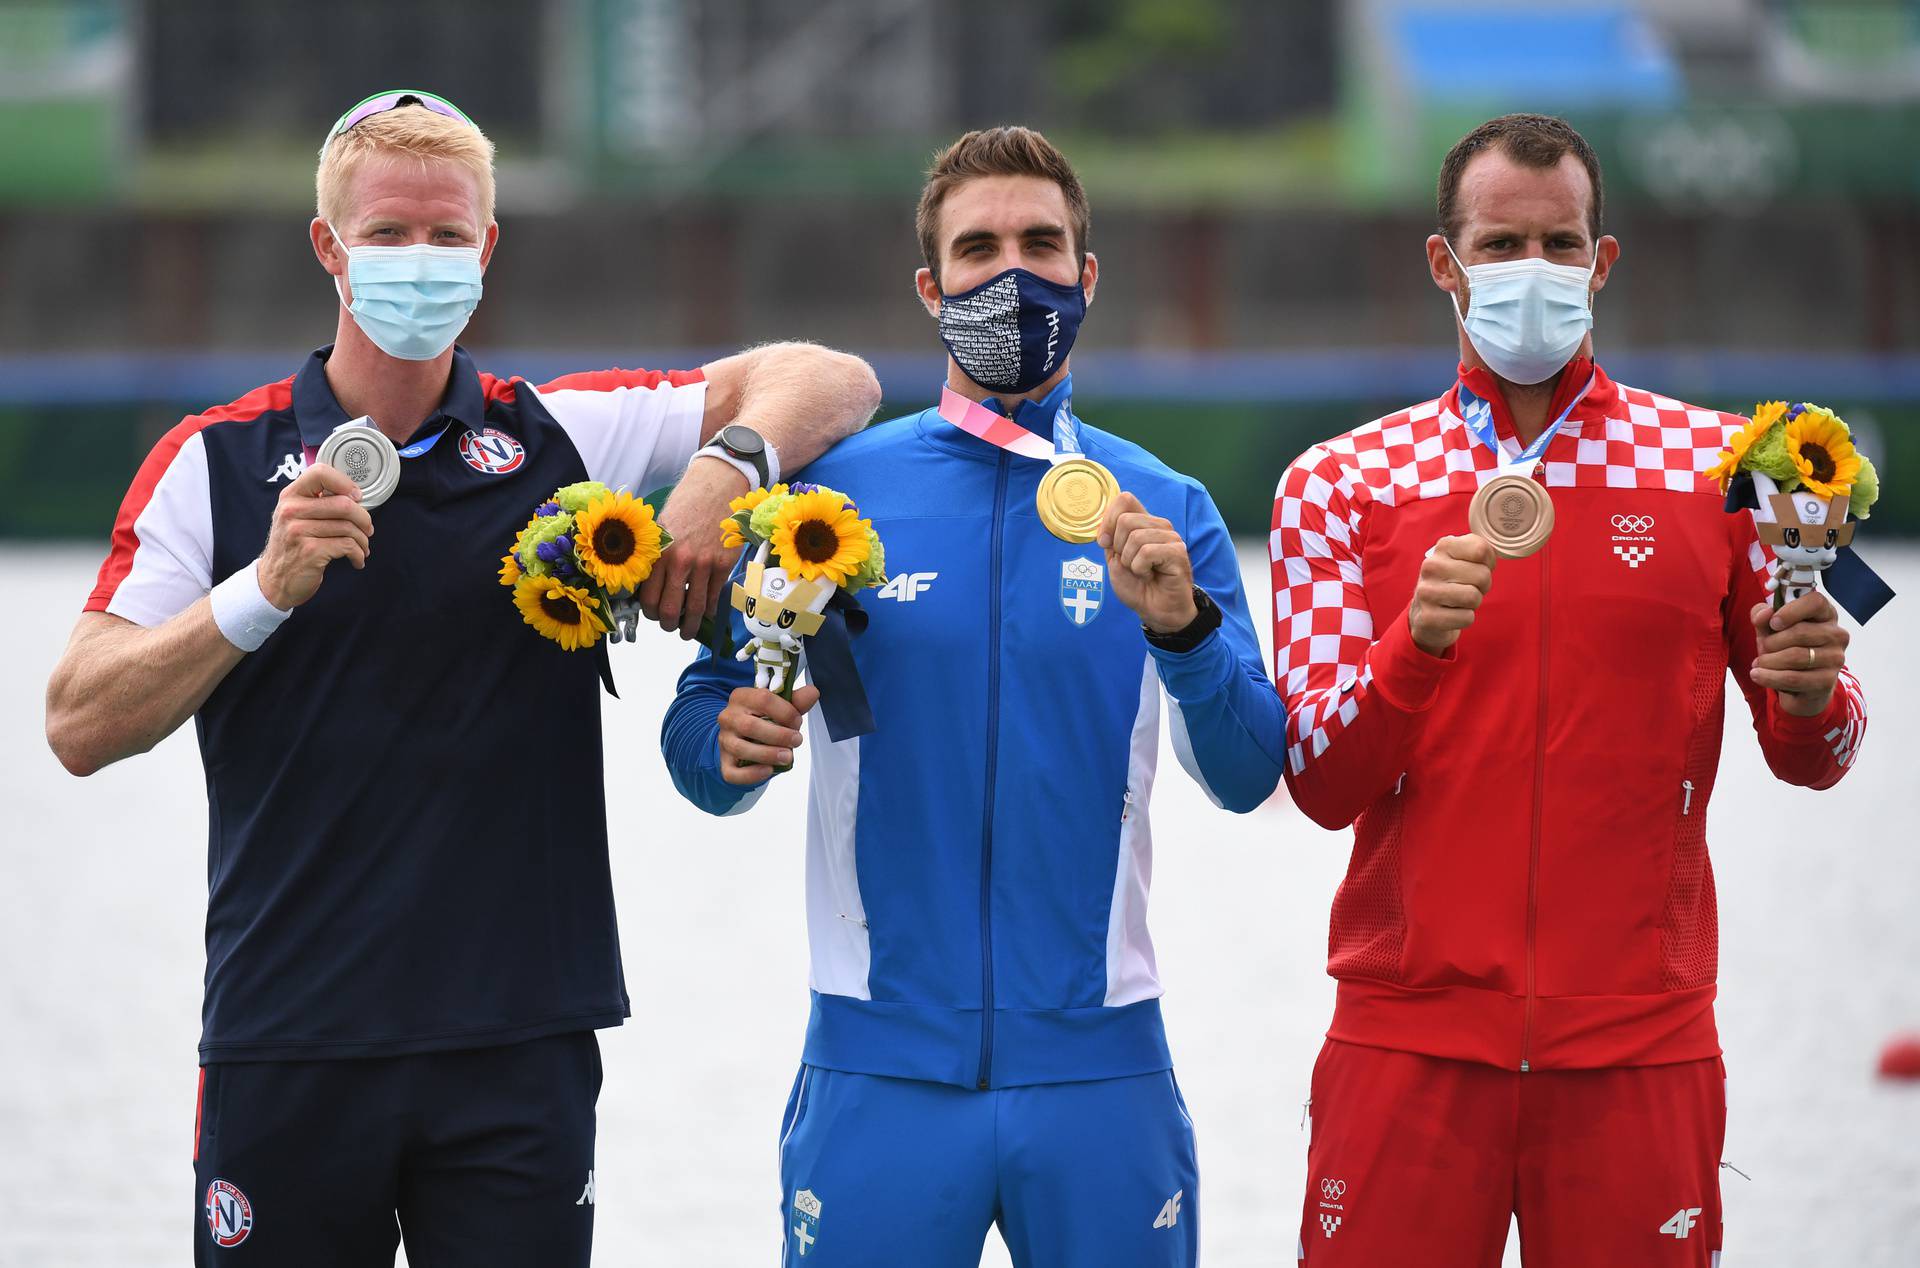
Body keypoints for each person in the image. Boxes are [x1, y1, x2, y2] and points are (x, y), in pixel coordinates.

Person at [43, 89, 880, 1268]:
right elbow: (77, 719)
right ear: (330, 249)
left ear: (487, 251)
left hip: (517, 1046)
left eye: (447, 237)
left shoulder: (565, 436)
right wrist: (263, 587)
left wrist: (719, 468)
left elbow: (830, 375)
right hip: (288, 1044)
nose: (420, 262)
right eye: (388, 236)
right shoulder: (212, 462)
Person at [662, 126, 1288, 1267]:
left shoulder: (1164, 503)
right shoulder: (822, 498)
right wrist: (731, 739)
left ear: (1087, 276)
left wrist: (1184, 626)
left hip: (1100, 1070)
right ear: (931, 286)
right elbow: (698, 741)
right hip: (879, 1068)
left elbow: (1248, 774)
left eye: (1043, 243)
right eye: (979, 247)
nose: (1014, 272)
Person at [1269, 113, 1867, 1266]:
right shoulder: (1338, 481)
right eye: (1500, 246)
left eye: (1560, 243)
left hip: (1640, 1047)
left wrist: (1814, 699)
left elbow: (1825, 752)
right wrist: (1416, 647)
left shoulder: (1736, 466)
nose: (1531, 271)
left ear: (1603, 261)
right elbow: (1322, 782)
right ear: (1446, 264)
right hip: (1410, 1046)